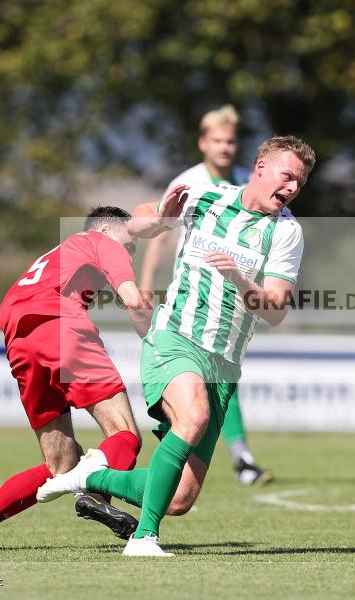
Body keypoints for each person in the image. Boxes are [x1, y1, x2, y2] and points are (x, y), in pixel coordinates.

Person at [37, 135, 316, 556]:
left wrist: (240, 280)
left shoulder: (287, 231)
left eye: (300, 182)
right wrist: (162, 218)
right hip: (175, 336)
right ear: (261, 167)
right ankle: (144, 538)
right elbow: (138, 223)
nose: (292, 187)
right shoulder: (206, 196)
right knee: (193, 415)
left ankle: (87, 477)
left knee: (180, 498)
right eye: (287, 176)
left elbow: (276, 310)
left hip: (223, 362)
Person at [0, 207, 153, 550]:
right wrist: (158, 341)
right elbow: (133, 300)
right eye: (129, 243)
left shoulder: (62, 252)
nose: (129, 253)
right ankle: (94, 496)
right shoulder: (103, 241)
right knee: (125, 433)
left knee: (60, 464)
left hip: (18, 336)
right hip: (58, 324)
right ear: (104, 228)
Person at [139, 104, 271, 486]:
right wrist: (145, 284)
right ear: (203, 143)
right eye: (217, 140)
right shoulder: (189, 182)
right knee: (204, 379)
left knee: (223, 378)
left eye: (230, 141)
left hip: (235, 299)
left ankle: (232, 457)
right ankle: (238, 457)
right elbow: (160, 234)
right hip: (195, 299)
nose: (225, 147)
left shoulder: (248, 182)